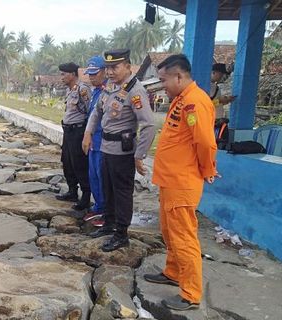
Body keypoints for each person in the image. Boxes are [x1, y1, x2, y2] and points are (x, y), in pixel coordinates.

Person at [144, 54, 217, 311]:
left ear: (179, 76)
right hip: (169, 179)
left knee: (184, 237)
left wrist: (207, 169)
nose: (162, 84)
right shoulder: (181, 100)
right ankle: (173, 272)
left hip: (182, 182)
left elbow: (206, 143)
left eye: (164, 80)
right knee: (169, 232)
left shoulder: (196, 102)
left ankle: (190, 294)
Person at [84, 49, 156, 252]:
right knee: (107, 189)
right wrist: (88, 133)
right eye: (107, 68)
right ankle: (108, 224)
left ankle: (121, 233)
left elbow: (149, 125)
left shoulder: (135, 91)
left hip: (123, 153)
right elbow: (96, 112)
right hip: (105, 148)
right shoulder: (110, 87)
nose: (110, 72)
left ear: (128, 66)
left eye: (114, 67)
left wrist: (139, 155)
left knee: (122, 193)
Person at [55, 62, 92, 211]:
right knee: (67, 161)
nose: (61, 77)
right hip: (68, 131)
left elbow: (90, 112)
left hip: (78, 131)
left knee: (79, 163)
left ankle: (85, 196)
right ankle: (72, 191)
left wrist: (88, 134)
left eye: (64, 74)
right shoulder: (70, 90)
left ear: (72, 74)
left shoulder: (83, 90)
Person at [81, 56, 107, 227]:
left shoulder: (108, 91)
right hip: (93, 141)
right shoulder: (94, 92)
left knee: (103, 178)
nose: (91, 77)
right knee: (94, 177)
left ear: (104, 71)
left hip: (104, 142)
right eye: (89, 74)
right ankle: (98, 207)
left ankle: (105, 211)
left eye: (94, 73)